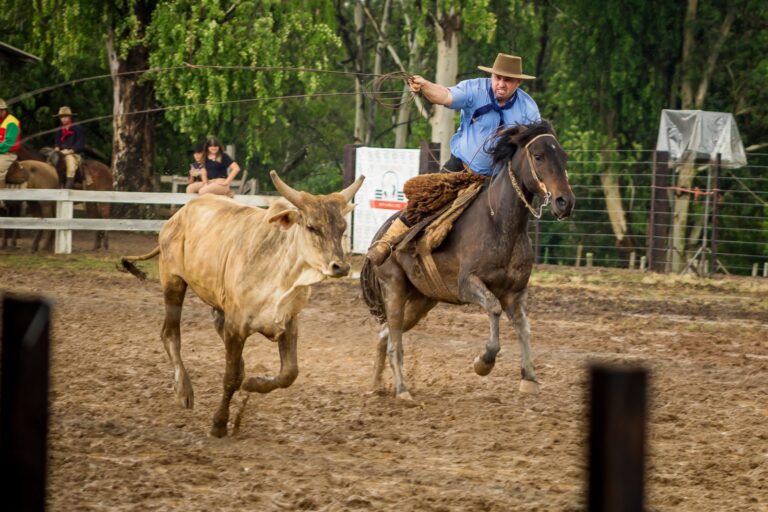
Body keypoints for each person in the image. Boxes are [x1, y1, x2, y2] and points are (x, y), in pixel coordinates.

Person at [367, 53, 541, 265]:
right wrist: (425, 86)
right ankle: (386, 242)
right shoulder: (474, 89)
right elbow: (445, 96)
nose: (501, 84)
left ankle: (509, 263)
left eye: (508, 80)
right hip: (461, 167)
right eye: (498, 78)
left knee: (513, 218)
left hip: (500, 179)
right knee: (426, 198)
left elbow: (535, 146)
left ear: (518, 82)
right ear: (492, 76)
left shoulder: (528, 108)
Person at [53, 106, 86, 189]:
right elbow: (57, 142)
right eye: (61, 117)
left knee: (70, 165)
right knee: (50, 160)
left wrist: (70, 151)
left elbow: (80, 144)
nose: (63, 119)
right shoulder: (59, 130)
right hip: (61, 153)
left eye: (65, 117)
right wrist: (57, 147)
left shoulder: (77, 129)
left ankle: (68, 187)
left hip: (73, 154)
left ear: (70, 117)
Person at [0, 98, 21, 204]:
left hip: (8, 153)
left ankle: (1, 199)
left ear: (3, 110)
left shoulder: (12, 122)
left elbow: (9, 142)